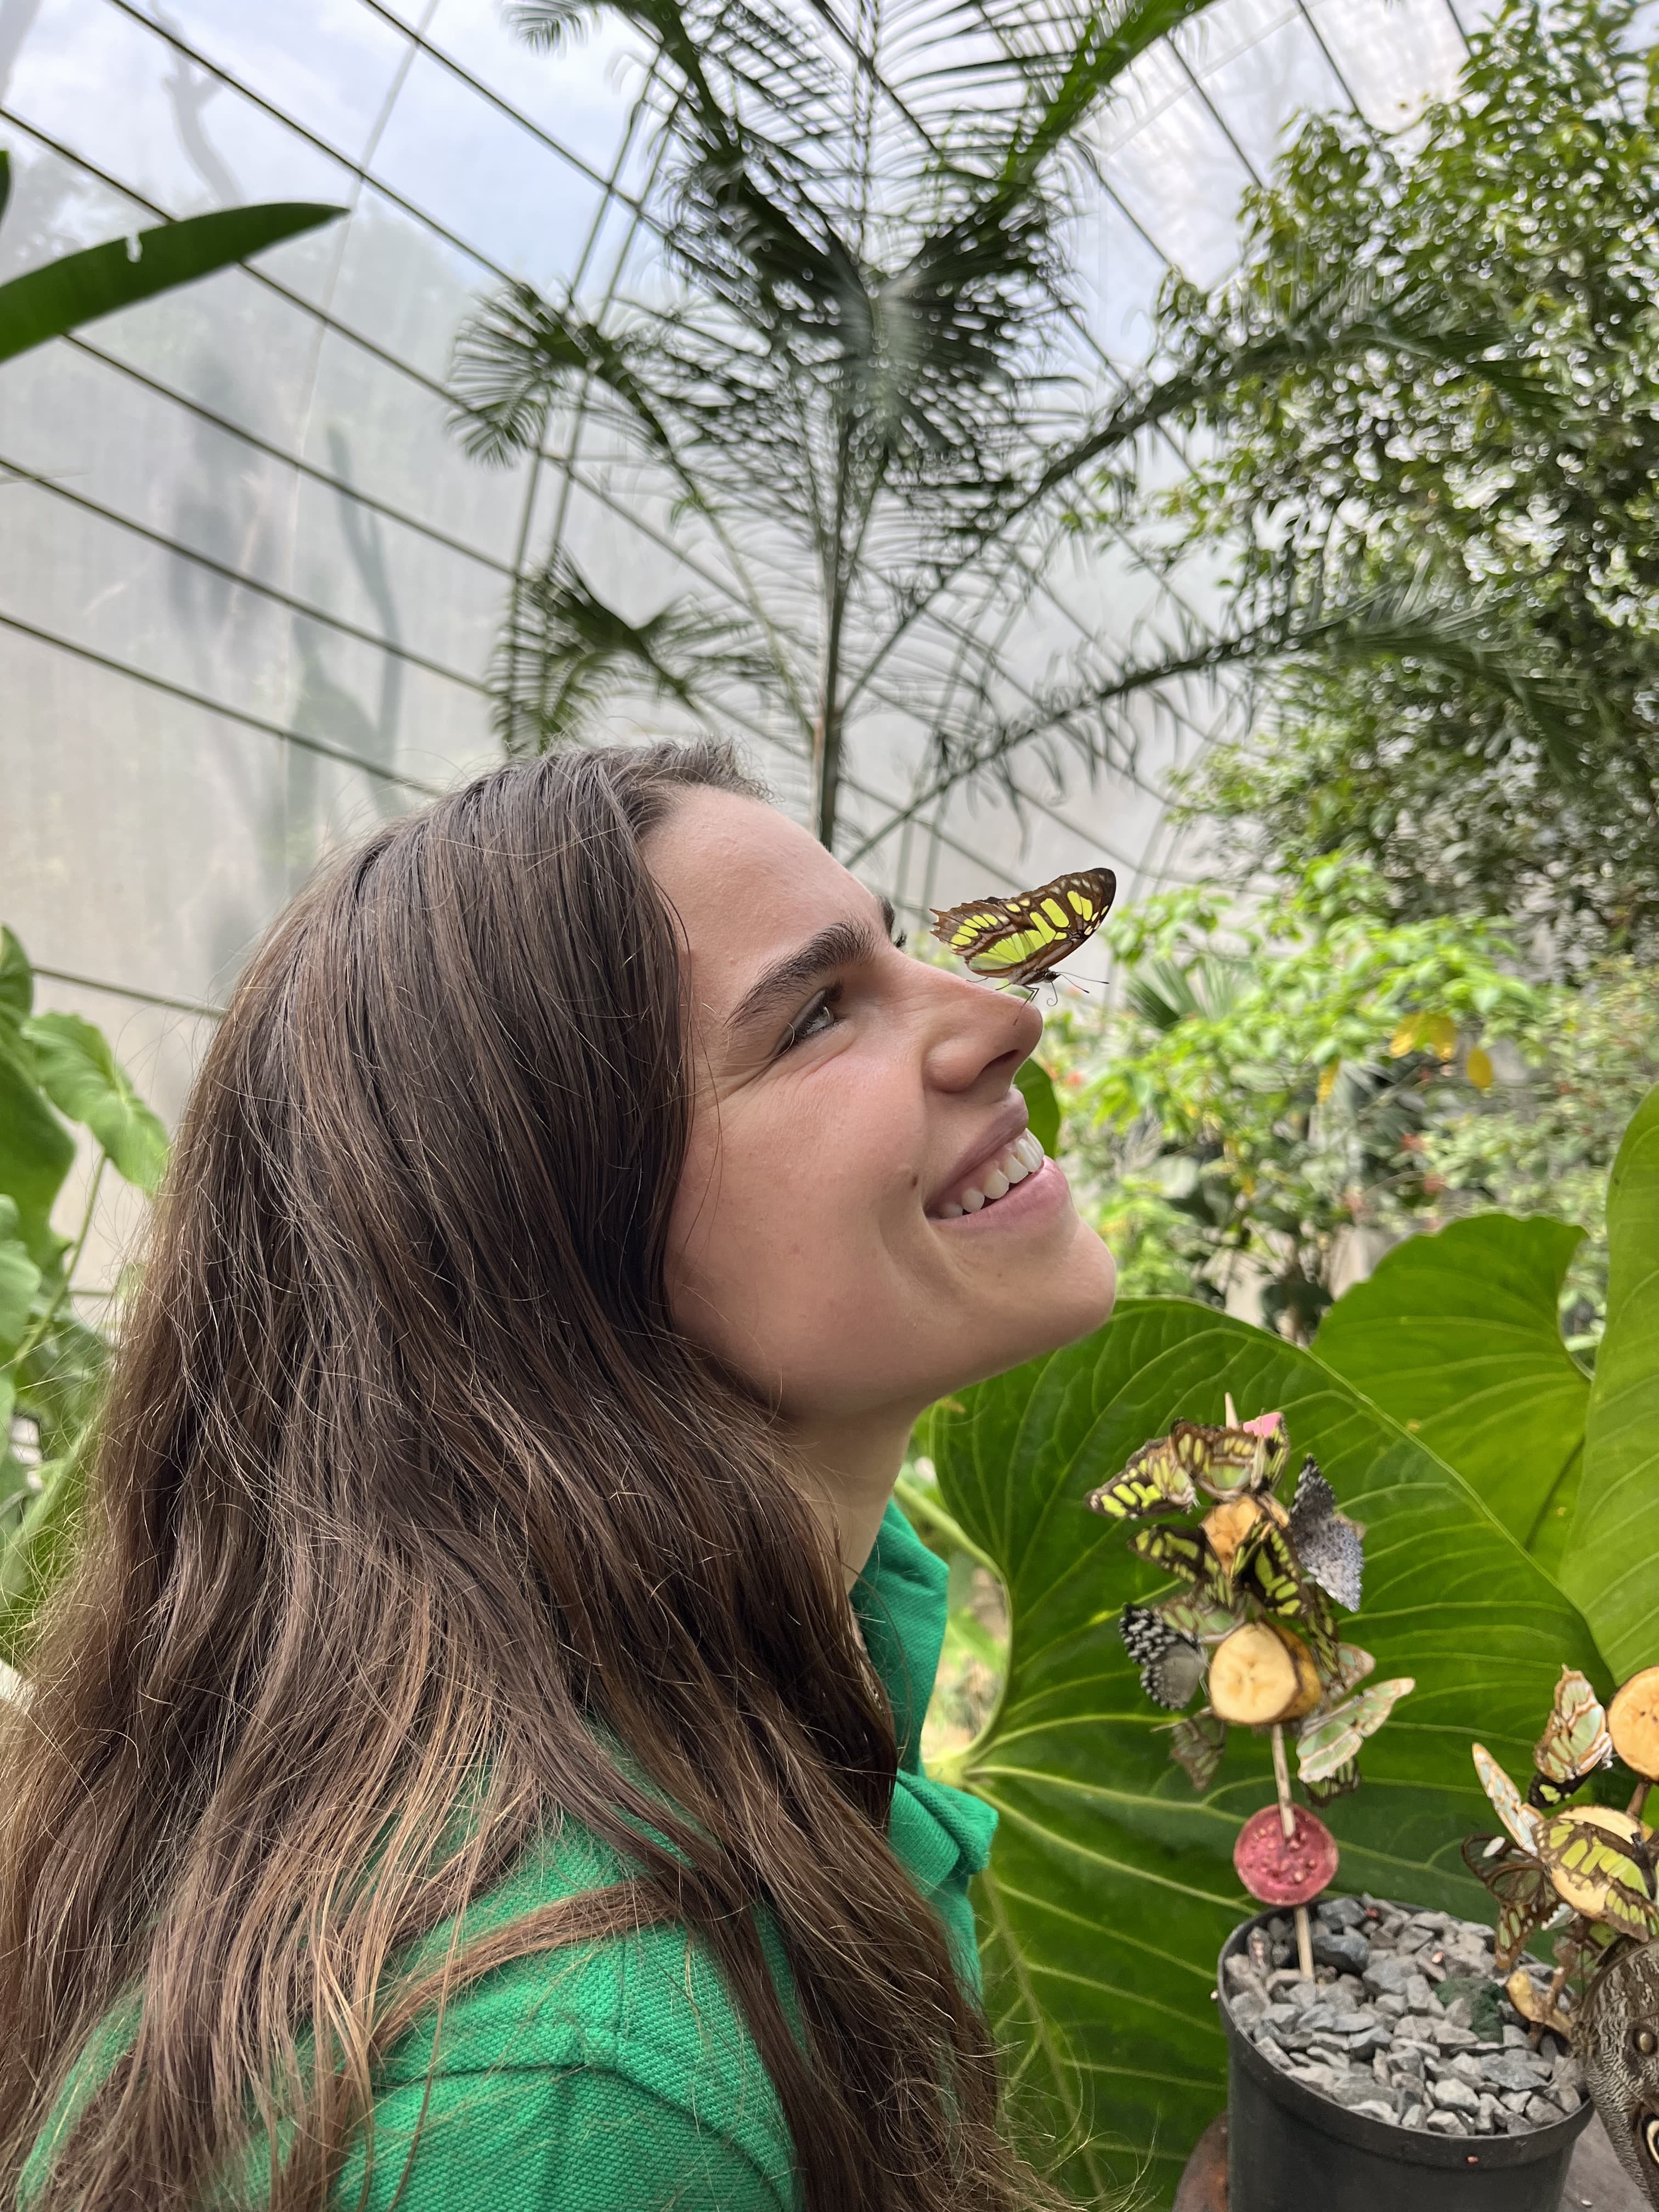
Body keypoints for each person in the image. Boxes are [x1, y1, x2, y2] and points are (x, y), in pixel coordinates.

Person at [0, 739, 1117, 2211]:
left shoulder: (764, 1653)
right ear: (543, 1256)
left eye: (903, 949)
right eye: (815, 1017)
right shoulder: (570, 2104)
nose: (1005, 1013)